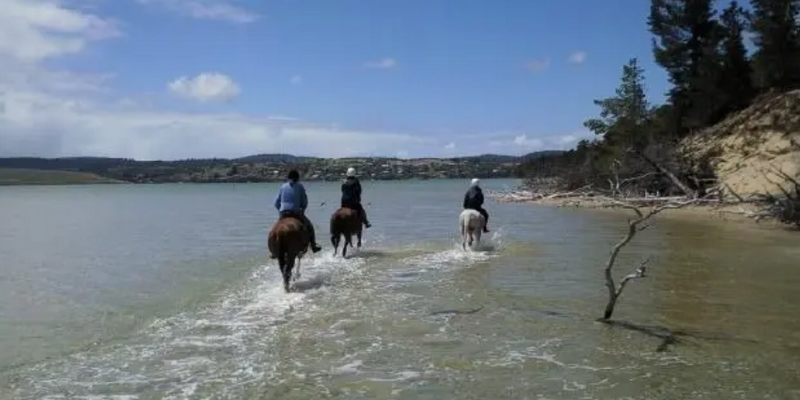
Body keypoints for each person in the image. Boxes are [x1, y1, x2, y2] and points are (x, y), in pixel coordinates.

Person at [273, 169, 322, 254]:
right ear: (297, 178)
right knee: (310, 226)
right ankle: (313, 245)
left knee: (275, 229)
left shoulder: (283, 186)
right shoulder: (300, 186)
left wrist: (281, 210)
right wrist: (302, 209)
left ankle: (273, 250)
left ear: (288, 178)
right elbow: (304, 202)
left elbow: (276, 203)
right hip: (295, 212)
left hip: (283, 213)